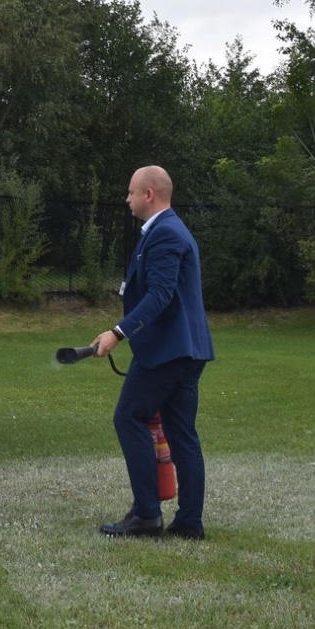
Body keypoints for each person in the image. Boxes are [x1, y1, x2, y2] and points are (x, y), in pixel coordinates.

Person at [90, 165, 214, 539]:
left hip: (167, 353)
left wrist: (118, 332)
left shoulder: (165, 234)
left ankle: (146, 514)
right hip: (186, 352)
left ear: (148, 194)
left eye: (130, 192)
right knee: (181, 434)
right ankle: (189, 523)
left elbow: (160, 294)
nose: (126, 199)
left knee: (128, 417)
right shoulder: (169, 230)